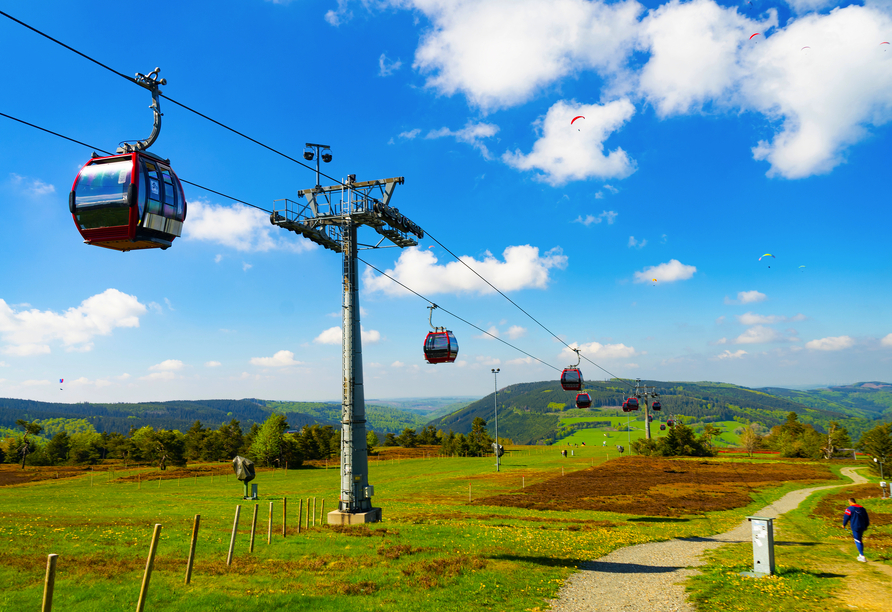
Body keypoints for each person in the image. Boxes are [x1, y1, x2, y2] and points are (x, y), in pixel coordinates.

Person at [843, 497, 870, 562]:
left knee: (857, 540)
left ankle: (862, 556)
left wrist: (844, 524)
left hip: (855, 526)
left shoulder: (849, 509)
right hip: (862, 526)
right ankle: (861, 555)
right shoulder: (862, 509)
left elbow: (846, 517)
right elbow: (866, 518)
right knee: (860, 540)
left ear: (850, 502)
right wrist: (866, 525)